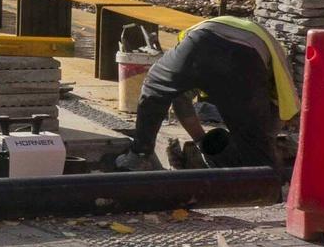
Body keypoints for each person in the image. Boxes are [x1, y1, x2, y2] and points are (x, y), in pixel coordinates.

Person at [113, 14, 298, 177]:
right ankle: (264, 183)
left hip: (199, 41)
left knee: (155, 86)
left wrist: (200, 139)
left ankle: (140, 154)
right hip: (242, 56)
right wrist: (261, 138)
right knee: (254, 140)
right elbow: (281, 106)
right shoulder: (276, 62)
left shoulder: (275, 60)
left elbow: (179, 96)